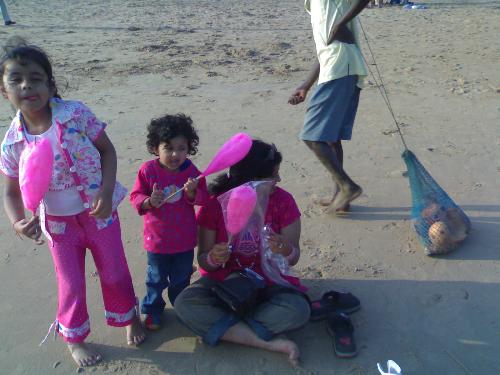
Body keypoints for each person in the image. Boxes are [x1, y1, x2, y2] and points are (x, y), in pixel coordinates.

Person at [0, 40, 145, 367]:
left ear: (51, 85)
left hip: (100, 215)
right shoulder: (12, 142)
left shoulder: (76, 114)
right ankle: (73, 338)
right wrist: (17, 221)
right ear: (3, 90)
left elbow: (107, 151)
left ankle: (129, 317)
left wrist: (106, 193)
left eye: (36, 78)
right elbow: (10, 191)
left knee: (115, 273)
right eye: (16, 79)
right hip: (58, 226)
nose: (27, 85)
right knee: (71, 283)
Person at [174, 140, 311, 366]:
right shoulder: (215, 206)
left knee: (298, 310)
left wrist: (284, 249)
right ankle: (268, 341)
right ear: (252, 181)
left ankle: (227, 328)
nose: (279, 180)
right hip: (224, 284)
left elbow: (294, 257)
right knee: (184, 303)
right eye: (273, 175)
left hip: (268, 282)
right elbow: (204, 263)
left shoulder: (283, 202)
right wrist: (213, 258)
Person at [288, 0, 370, 213]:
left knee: (312, 135)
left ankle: (347, 187)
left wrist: (340, 24)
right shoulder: (312, 4)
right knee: (331, 138)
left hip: (341, 65)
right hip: (335, 66)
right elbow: (325, 46)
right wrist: (306, 85)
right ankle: (340, 197)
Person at [129, 113, 208, 331]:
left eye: (181, 148)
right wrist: (148, 201)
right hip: (157, 240)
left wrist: (192, 192)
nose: (175, 154)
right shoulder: (147, 171)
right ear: (156, 148)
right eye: (168, 148)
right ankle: (153, 310)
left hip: (184, 240)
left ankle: (182, 307)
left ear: (189, 148)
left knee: (181, 279)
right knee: (155, 279)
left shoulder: (191, 172)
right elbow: (135, 196)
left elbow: (204, 198)